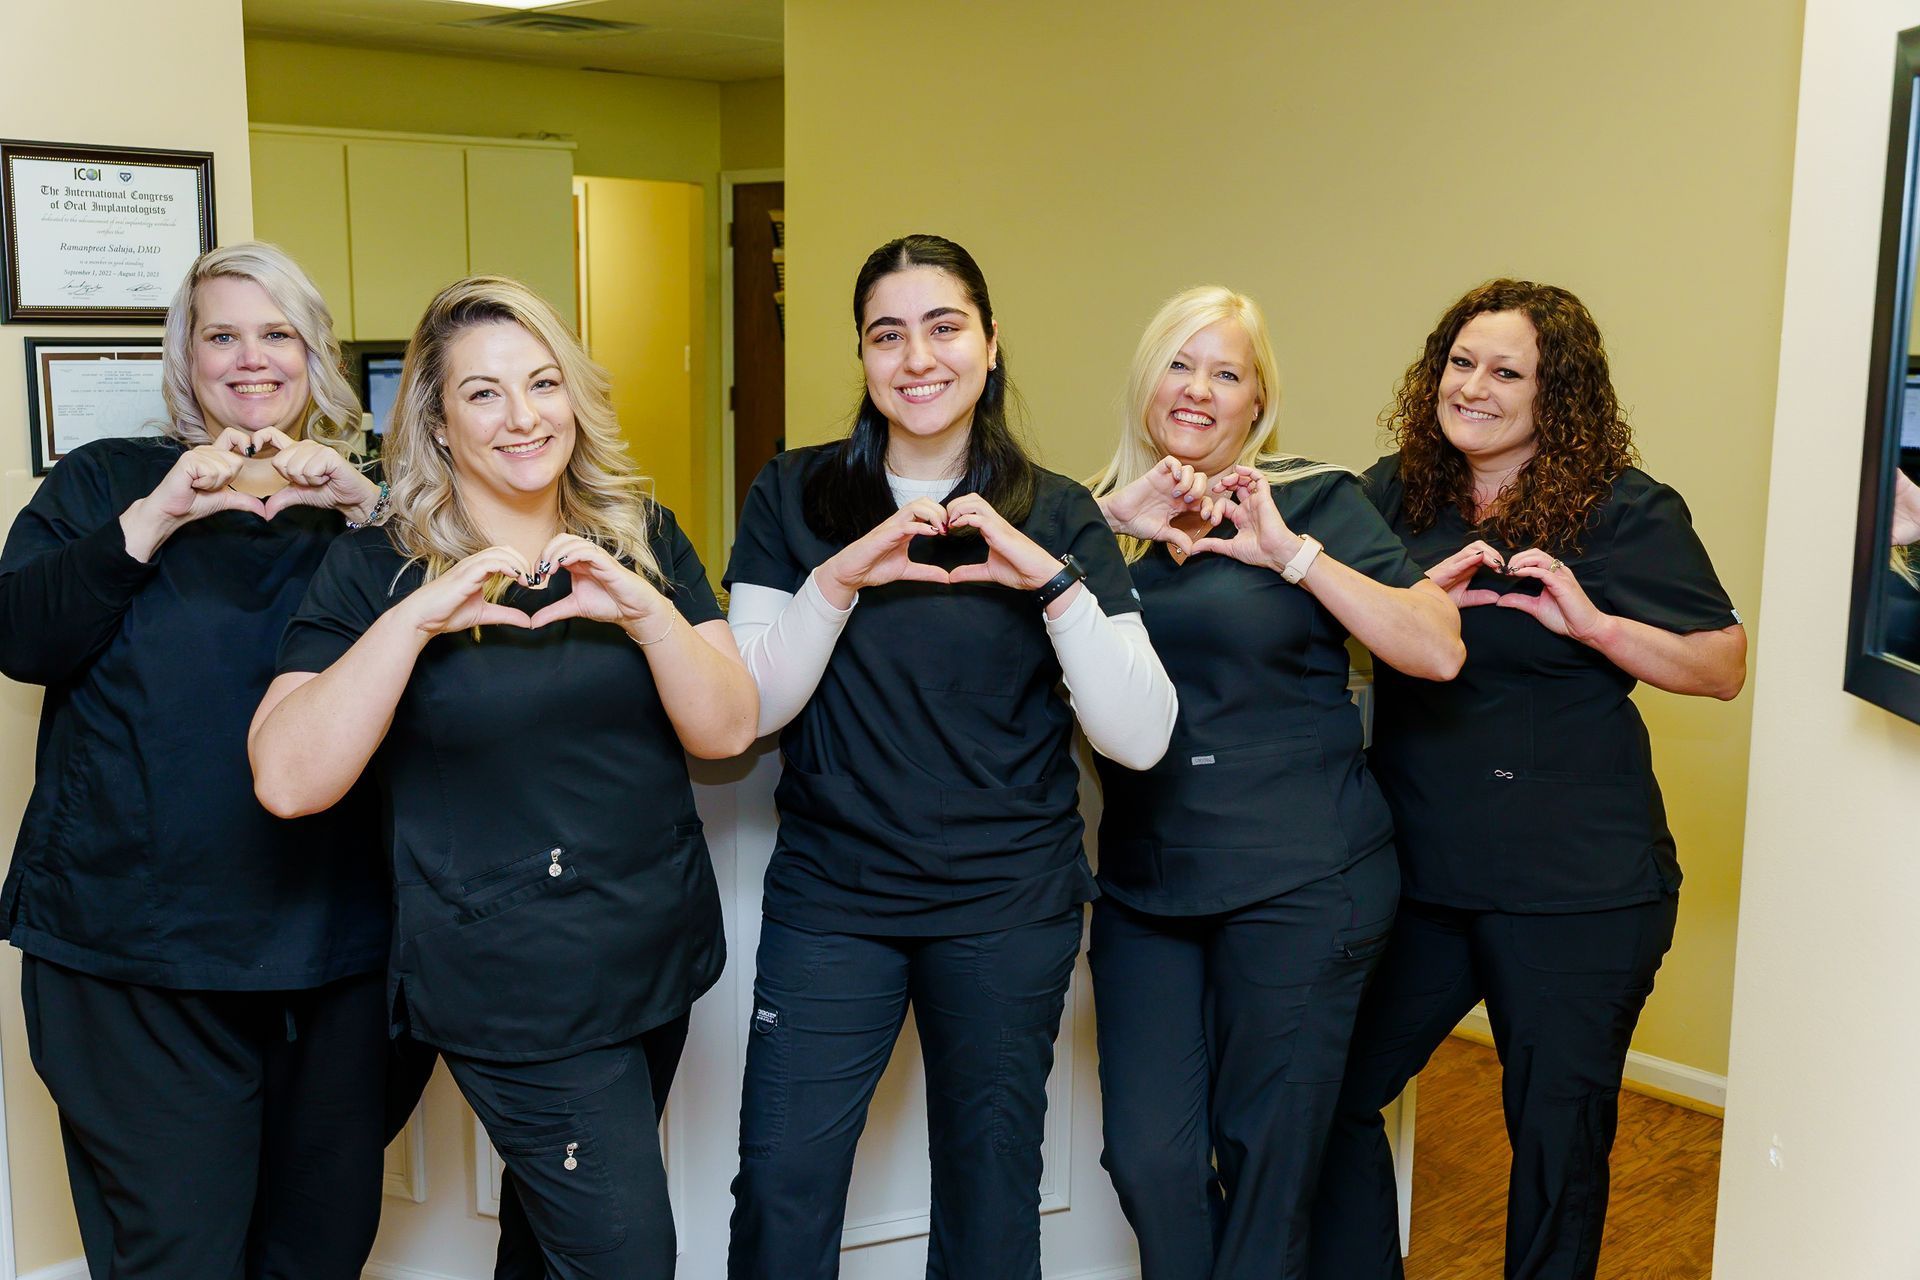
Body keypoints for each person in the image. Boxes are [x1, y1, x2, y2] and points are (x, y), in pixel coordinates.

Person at [250, 275, 757, 1278]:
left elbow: (727, 732)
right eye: (483, 393)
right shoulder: (373, 569)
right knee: (623, 1256)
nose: (523, 417)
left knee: (549, 1243)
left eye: (543, 383)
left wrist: (643, 610)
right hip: (510, 975)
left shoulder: (642, 539)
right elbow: (286, 778)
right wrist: (417, 619)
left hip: (650, 946)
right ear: (436, 419)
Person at [723, 233, 1177, 1279]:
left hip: (1007, 903)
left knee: (990, 1197)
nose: (916, 357)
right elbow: (749, 705)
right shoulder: (794, 495)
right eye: (887, 334)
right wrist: (841, 578)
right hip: (835, 898)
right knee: (784, 1188)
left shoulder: (1057, 511)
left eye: (943, 326)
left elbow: (1141, 733)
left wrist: (1047, 578)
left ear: (989, 341)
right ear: (864, 357)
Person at [1307, 279, 1746, 1280]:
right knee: (1327, 1091)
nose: (1474, 385)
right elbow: (1313, 596)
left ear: (1559, 395)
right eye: (1461, 361)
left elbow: (1722, 664)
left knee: (1555, 1140)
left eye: (1508, 370)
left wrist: (1595, 625)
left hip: (1578, 888)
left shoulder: (1625, 509)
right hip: (1418, 871)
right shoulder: (1393, 493)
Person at [0, 242, 391, 1279]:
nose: (250, 359)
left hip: (338, 946)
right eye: (222, 334)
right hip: (136, 953)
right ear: (187, 356)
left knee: (319, 1246)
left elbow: (470, 651)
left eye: (278, 334)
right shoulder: (107, 482)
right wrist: (161, 511)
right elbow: (21, 639)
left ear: (316, 356)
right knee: (177, 1252)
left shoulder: (374, 506)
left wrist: (365, 506)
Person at [1084, 285, 1461, 1280]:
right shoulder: (1091, 520)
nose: (1199, 391)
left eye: (1227, 372)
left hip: (1305, 877)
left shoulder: (1313, 497)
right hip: (1146, 885)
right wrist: (1107, 518)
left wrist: (1293, 557)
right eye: (1180, 363)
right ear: (1145, 380)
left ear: (1259, 401)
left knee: (1266, 1167)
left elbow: (1437, 647)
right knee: (1150, 1158)